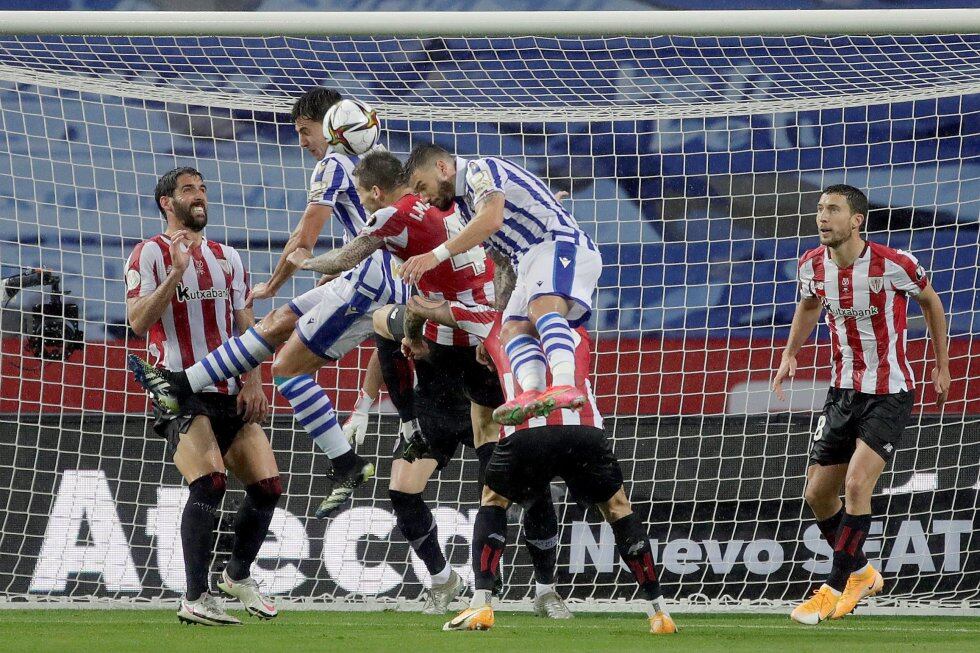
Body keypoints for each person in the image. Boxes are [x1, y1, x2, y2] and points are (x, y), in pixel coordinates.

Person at [298, 150, 566, 617]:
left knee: (520, 485)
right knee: (402, 487)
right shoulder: (447, 214)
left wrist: (301, 261)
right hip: (440, 382)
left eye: (361, 195)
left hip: (480, 374)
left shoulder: (409, 222)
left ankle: (545, 589)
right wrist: (412, 337)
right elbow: (403, 316)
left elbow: (349, 258)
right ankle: (444, 580)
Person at [129, 88, 408, 518]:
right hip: (381, 276)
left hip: (374, 279)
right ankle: (181, 386)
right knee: (279, 321)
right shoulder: (378, 159)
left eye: (303, 131)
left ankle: (347, 463)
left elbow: (303, 239)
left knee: (286, 368)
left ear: (331, 125)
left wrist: (275, 281)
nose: (301, 142)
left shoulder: (331, 163)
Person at [772, 184, 951, 624]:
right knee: (817, 493)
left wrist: (941, 364)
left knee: (856, 486)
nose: (822, 217)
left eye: (833, 209)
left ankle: (833, 588)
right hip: (842, 391)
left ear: (857, 220)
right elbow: (810, 304)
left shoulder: (894, 264)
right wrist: (790, 352)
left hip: (889, 392)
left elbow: (931, 303)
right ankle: (864, 572)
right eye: (819, 209)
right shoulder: (812, 264)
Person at [443, 316, 677, 635]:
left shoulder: (499, 327)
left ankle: (481, 603)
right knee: (618, 508)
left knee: (493, 501)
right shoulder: (577, 332)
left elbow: (444, 311)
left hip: (527, 432)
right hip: (583, 430)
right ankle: (659, 612)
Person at [125, 167, 281, 625]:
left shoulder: (228, 257)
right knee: (210, 483)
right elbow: (137, 322)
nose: (200, 196)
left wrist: (253, 379)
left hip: (229, 387)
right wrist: (175, 274)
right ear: (166, 202)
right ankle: (195, 596)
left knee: (268, 488)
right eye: (189, 190)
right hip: (179, 388)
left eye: (203, 188)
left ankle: (236, 575)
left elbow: (244, 323)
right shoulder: (148, 254)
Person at [401, 143, 602, 426]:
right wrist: (495, 321)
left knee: (542, 308)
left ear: (443, 168)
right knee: (511, 328)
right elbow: (500, 261)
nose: (423, 198)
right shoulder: (465, 209)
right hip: (527, 261)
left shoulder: (480, 170)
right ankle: (531, 394)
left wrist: (435, 256)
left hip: (558, 244)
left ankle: (565, 384)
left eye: (422, 187)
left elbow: (492, 219)